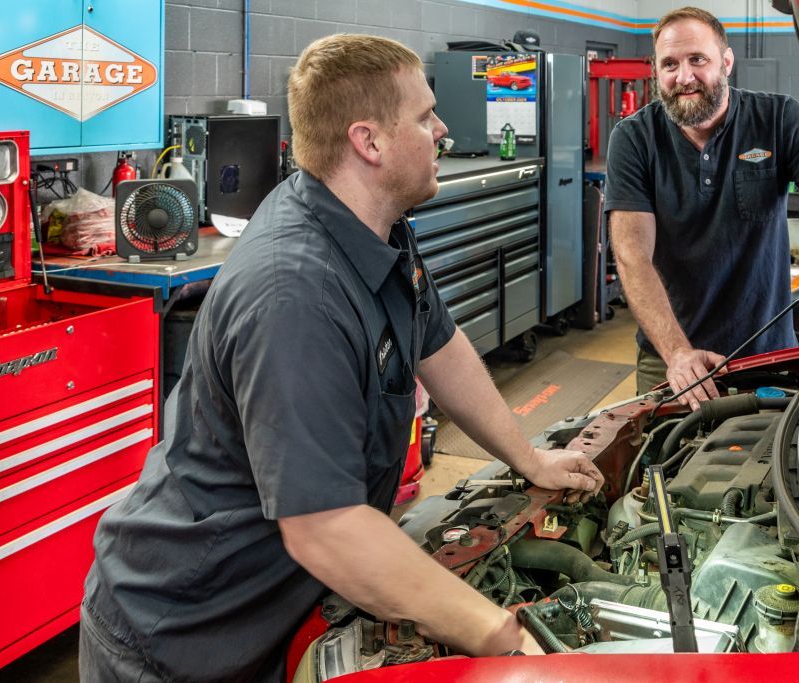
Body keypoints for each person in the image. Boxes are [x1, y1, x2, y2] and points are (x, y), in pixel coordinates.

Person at [79, 34, 604, 682]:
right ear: (369, 141)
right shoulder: (294, 293)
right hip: (181, 634)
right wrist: (503, 635)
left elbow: (439, 348)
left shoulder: (376, 229)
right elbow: (325, 529)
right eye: (423, 116)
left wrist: (528, 458)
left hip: (274, 607)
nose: (442, 130)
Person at [605, 7, 799, 409]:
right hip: (672, 357)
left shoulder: (778, 119)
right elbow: (634, 256)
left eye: (697, 60)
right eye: (669, 64)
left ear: (726, 62)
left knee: (770, 466)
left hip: (769, 354)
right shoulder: (634, 139)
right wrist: (677, 353)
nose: (683, 77)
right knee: (662, 465)